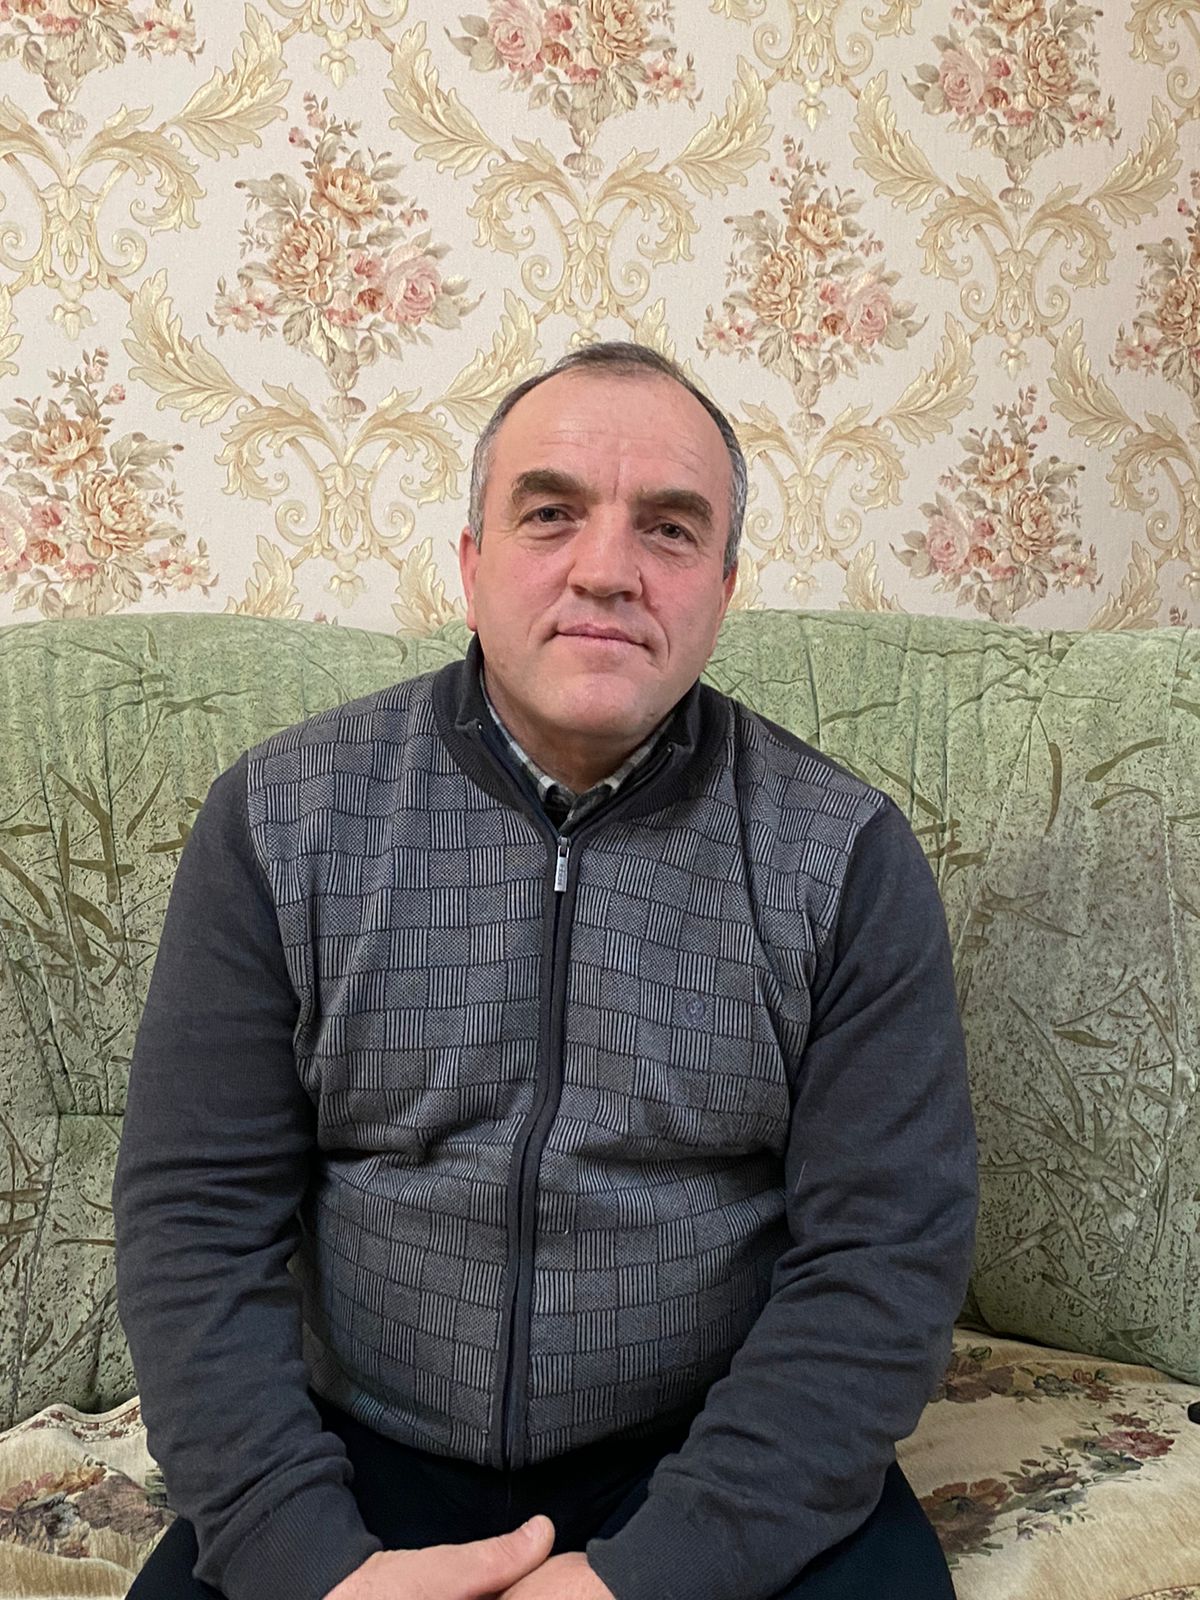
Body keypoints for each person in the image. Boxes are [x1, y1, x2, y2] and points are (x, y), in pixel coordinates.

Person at [113, 340, 978, 1600]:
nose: (608, 568)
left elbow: (882, 1262)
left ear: (723, 589)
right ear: (472, 565)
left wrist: (651, 1576)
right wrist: (312, 1566)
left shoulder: (845, 855)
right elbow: (194, 1220)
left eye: (670, 528)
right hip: (354, 1454)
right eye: (552, 513)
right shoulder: (277, 819)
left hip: (713, 1453)